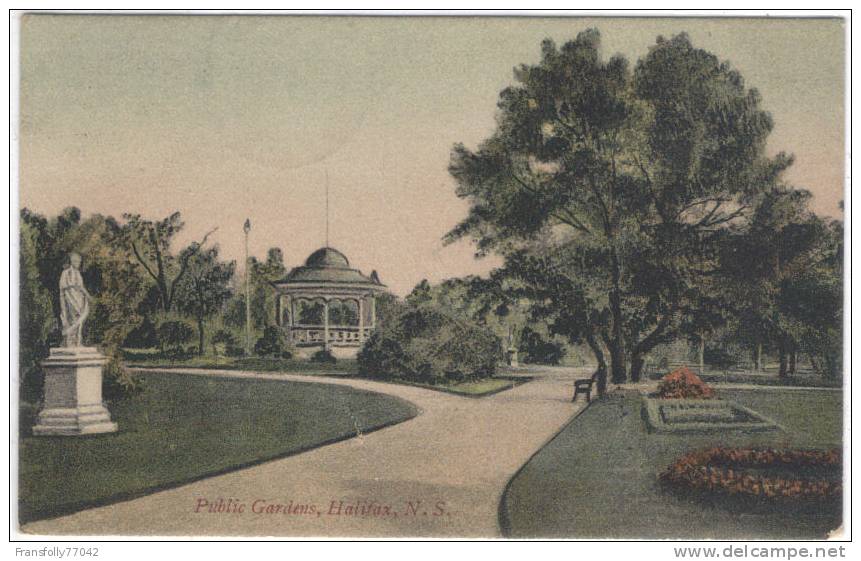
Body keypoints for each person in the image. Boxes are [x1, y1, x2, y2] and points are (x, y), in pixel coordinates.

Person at [59, 252, 90, 347]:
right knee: (72, 319)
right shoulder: (66, 272)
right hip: (70, 298)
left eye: (79, 262)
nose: (79, 263)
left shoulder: (78, 273)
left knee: (80, 319)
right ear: (72, 261)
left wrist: (87, 295)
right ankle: (69, 342)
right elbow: (63, 287)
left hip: (79, 298)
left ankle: (78, 341)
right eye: (77, 261)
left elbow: (81, 287)